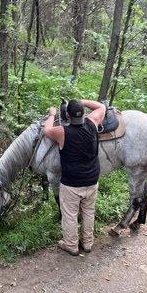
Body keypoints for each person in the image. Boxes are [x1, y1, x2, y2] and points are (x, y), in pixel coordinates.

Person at [43, 99, 106, 256]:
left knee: (70, 215)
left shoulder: (62, 132)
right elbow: (101, 107)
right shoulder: (93, 123)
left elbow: (46, 130)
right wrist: (82, 101)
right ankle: (87, 243)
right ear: (84, 114)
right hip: (92, 181)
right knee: (88, 211)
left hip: (71, 185)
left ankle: (71, 245)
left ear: (67, 116)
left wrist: (52, 114)